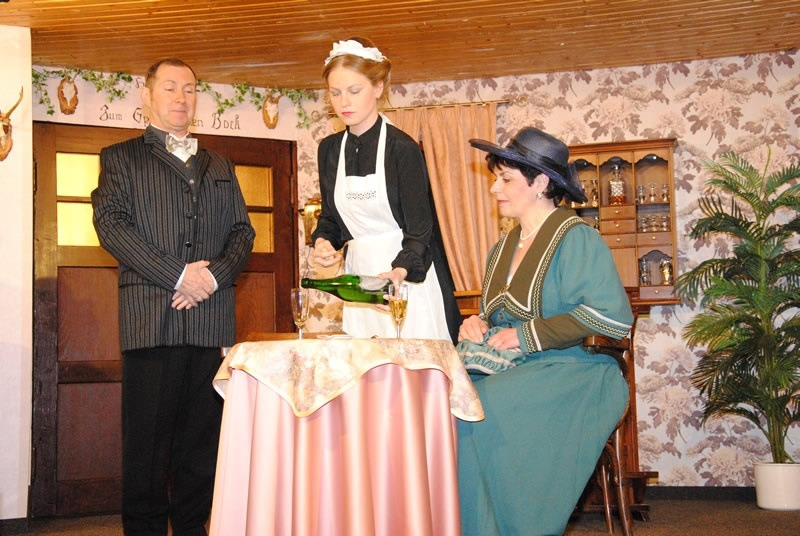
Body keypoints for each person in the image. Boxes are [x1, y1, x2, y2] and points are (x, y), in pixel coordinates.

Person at [91, 58, 255, 535]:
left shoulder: (220, 164)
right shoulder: (119, 157)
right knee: (146, 451)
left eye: (189, 89)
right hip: (151, 324)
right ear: (146, 96)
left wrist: (213, 278)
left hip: (210, 324)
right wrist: (179, 275)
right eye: (169, 88)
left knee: (200, 451)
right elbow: (111, 226)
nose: (181, 97)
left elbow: (242, 233)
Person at [456, 127, 634, 535]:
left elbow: (611, 318)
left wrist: (526, 336)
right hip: (511, 368)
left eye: (505, 179)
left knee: (481, 408)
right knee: (446, 401)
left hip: (576, 370)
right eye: (495, 178)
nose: (493, 189)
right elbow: (495, 315)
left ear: (540, 183)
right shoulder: (501, 249)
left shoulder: (577, 238)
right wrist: (476, 322)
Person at [311, 37, 461, 341]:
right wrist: (324, 242)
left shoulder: (402, 149)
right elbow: (331, 219)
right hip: (359, 281)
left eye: (354, 91)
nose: (344, 102)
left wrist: (398, 273)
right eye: (335, 93)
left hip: (405, 281)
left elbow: (420, 230)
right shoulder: (329, 150)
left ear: (378, 87)